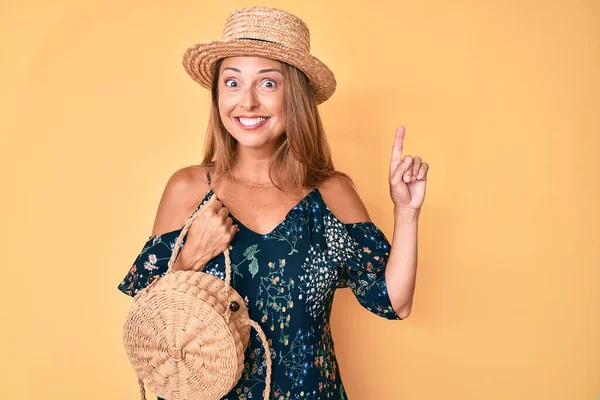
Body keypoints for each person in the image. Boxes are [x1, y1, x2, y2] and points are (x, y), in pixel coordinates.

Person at [118, 6, 428, 400]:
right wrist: (189, 257)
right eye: (232, 82)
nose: (246, 102)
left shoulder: (330, 194)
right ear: (217, 96)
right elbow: (149, 326)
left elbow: (394, 301)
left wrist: (407, 212)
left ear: (294, 96)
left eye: (267, 84)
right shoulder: (189, 189)